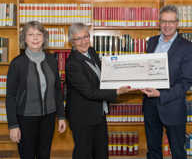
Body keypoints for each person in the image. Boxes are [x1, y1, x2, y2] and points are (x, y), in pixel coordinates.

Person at [65, 22, 133, 159]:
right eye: (78, 39)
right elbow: (89, 92)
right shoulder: (73, 63)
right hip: (82, 117)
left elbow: (103, 75)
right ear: (72, 41)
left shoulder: (91, 51)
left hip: (98, 113)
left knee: (101, 152)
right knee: (84, 153)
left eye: (86, 36)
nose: (84, 41)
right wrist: (117, 92)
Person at [141, 5, 192, 159]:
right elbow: (147, 70)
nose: (167, 25)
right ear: (159, 22)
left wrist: (161, 94)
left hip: (173, 107)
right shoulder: (151, 42)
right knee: (153, 151)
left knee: (178, 151)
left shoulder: (187, 47)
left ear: (177, 23)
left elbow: (186, 82)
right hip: (150, 105)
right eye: (164, 21)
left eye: (171, 21)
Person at [6, 21, 66, 159]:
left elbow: (57, 90)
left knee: (44, 155)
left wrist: (61, 116)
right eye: (31, 34)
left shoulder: (52, 60)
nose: (35, 38)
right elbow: (10, 96)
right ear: (24, 38)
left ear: (44, 38)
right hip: (25, 119)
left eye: (39, 34)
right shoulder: (17, 63)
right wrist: (13, 125)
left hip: (49, 118)